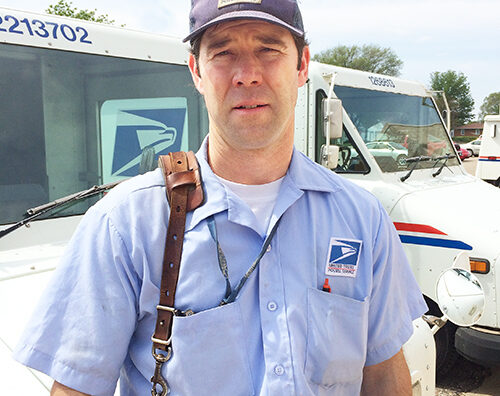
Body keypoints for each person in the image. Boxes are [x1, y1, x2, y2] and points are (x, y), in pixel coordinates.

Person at [14, 0, 428, 395]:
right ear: (196, 71)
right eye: (223, 52)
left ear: (302, 64)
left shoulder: (361, 219)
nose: (247, 74)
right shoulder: (125, 224)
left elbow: (382, 372)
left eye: (269, 49)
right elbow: (76, 389)